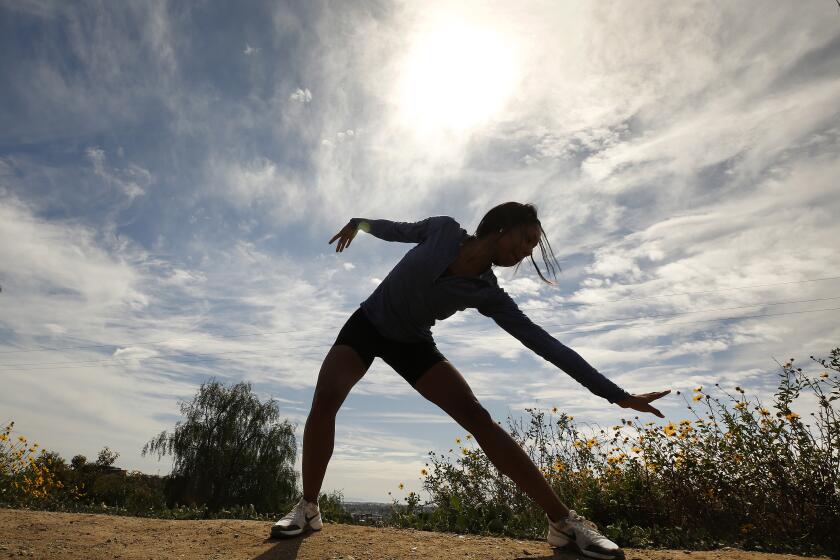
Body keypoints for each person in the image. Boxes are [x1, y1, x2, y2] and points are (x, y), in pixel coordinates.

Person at [271, 201, 669, 559]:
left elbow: (545, 344)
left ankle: (564, 523)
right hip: (368, 325)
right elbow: (396, 229)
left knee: (478, 418)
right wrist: (359, 223)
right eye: (527, 239)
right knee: (325, 402)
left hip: (412, 343)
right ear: (503, 225)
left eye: (533, 248)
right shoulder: (443, 229)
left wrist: (616, 395)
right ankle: (308, 508)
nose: (527, 251)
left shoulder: (488, 293)